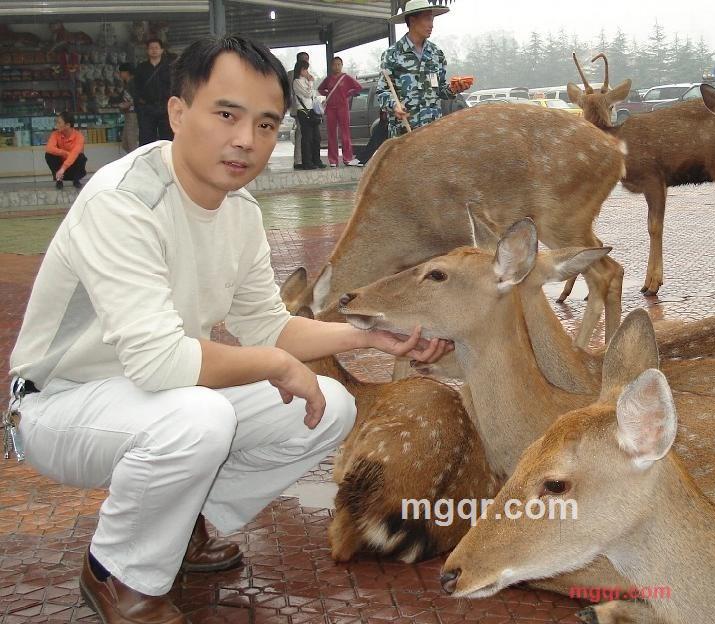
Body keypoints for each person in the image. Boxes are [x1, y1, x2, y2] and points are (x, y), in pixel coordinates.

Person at [9, 36, 449, 624]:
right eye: (226, 115)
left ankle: (175, 523)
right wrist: (277, 365)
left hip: (157, 398)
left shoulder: (239, 212)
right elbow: (163, 363)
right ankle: (117, 574)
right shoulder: (123, 202)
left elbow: (268, 327)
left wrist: (368, 337)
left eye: (266, 124)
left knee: (332, 406)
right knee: (200, 418)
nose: (246, 139)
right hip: (60, 404)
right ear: (177, 113)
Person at [376, 0, 471, 137]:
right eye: (427, 19)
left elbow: (440, 91)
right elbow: (382, 92)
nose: (431, 25)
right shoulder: (392, 55)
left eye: (432, 20)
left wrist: (454, 89)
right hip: (404, 133)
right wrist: (394, 106)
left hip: (432, 133)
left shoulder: (436, 54)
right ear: (412, 20)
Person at [318, 57, 362, 167]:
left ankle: (347, 158)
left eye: (339, 64)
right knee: (331, 134)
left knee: (345, 133)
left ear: (342, 65)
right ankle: (333, 160)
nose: (336, 67)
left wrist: (348, 94)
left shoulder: (346, 78)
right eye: (334, 64)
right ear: (331, 66)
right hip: (331, 108)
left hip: (343, 108)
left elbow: (358, 87)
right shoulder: (328, 79)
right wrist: (327, 93)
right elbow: (320, 89)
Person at [134, 37, 173, 144]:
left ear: (162, 50)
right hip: (147, 108)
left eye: (156, 48)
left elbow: (175, 85)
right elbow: (135, 87)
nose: (154, 50)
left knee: (167, 139)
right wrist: (140, 102)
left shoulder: (169, 67)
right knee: (146, 139)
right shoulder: (141, 68)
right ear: (147, 50)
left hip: (165, 107)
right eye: (151, 48)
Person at [292, 58, 326, 170]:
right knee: (307, 138)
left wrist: (310, 83)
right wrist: (311, 82)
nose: (307, 72)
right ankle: (307, 162)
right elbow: (307, 94)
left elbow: (313, 94)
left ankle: (317, 160)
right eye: (305, 69)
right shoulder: (297, 81)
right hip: (303, 111)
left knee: (316, 137)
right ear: (300, 70)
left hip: (312, 111)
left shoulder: (306, 81)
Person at [44, 111, 86, 189]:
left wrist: (63, 169)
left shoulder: (79, 136)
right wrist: (65, 153)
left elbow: (74, 154)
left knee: (81, 157)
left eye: (59, 123)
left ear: (67, 125)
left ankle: (76, 180)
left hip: (71, 166)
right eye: (56, 122)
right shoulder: (55, 134)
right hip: (60, 166)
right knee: (49, 155)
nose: (56, 125)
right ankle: (59, 180)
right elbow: (49, 148)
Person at [287, 51, 310, 170]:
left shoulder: (308, 74)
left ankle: (307, 159)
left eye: (306, 59)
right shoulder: (291, 74)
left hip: (309, 108)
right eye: (302, 59)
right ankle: (298, 160)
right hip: (298, 108)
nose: (305, 61)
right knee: (300, 133)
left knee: (308, 135)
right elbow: (288, 92)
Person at [116, 62, 139, 153]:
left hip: (133, 114)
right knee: (125, 143)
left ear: (126, 72)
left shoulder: (134, 83)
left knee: (131, 141)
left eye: (121, 72)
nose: (120, 74)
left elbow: (138, 98)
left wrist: (128, 104)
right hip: (127, 114)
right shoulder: (127, 84)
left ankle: (134, 158)